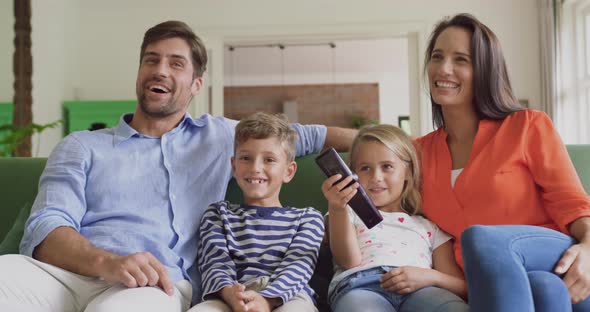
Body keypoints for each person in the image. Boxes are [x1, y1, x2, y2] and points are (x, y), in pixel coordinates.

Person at [0, 21, 355, 312]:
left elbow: (303, 136)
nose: (160, 70)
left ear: (196, 84)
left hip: (154, 283)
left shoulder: (221, 137)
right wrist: (106, 261)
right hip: (65, 273)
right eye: (151, 60)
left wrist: (402, 146)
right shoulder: (81, 145)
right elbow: (46, 226)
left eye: (176, 64)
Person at [416, 13, 590, 312]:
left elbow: (572, 204)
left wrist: (589, 249)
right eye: (437, 56)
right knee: (544, 290)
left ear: (485, 70)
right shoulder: (417, 153)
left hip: (554, 258)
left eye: (461, 59)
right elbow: (374, 148)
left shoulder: (527, 125)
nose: (444, 68)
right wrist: (317, 135)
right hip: (496, 284)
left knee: (481, 239)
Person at [321, 124, 468, 312]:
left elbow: (461, 286)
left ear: (407, 171)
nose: (376, 177)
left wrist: (429, 276)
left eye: (387, 167)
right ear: (352, 174)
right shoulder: (345, 212)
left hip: (422, 288)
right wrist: (336, 208)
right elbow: (348, 261)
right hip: (361, 287)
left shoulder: (428, 226)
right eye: (365, 168)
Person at [190, 112, 324, 312]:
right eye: (246, 158)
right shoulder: (217, 214)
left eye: (269, 160)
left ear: (288, 171)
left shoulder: (308, 218)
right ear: (234, 167)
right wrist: (230, 294)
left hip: (289, 296)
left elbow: (298, 268)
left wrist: (267, 299)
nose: (255, 168)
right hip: (232, 294)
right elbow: (215, 264)